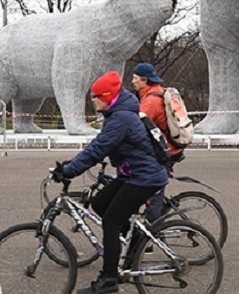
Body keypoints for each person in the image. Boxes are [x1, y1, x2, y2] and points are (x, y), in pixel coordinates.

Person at [55, 71, 168, 294]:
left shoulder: (121, 118)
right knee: (99, 203)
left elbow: (98, 149)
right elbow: (99, 146)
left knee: (111, 221)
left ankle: (109, 280)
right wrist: (72, 163)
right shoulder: (117, 114)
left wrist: (70, 170)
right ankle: (134, 242)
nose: (93, 100)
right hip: (133, 174)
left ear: (107, 97)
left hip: (145, 177)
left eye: (95, 97)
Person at [131, 62, 182, 223]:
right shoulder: (157, 92)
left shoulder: (151, 101)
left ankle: (149, 238)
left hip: (163, 152)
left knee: (153, 195)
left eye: (135, 78)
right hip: (167, 148)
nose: (133, 81)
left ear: (145, 80)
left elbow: (136, 128)